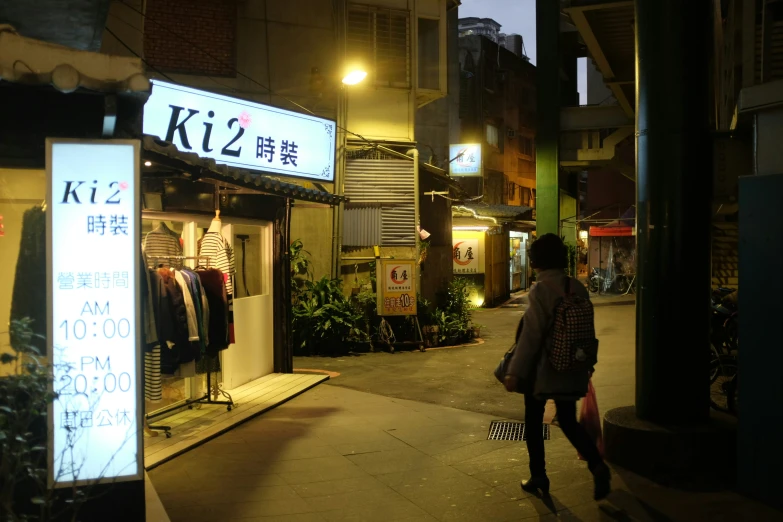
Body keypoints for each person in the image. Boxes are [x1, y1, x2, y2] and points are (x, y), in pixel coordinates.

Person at [503, 233, 611, 500]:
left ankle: (538, 475)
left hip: (544, 370)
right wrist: (586, 364)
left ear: (536, 260)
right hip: (572, 367)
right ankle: (597, 465)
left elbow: (531, 336)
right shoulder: (577, 287)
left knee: (532, 420)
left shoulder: (540, 290)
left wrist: (514, 372)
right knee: (567, 420)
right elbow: (586, 332)